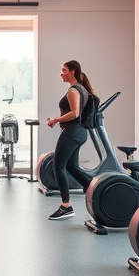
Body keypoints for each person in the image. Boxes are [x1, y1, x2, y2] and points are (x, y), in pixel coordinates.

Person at [46, 60, 99, 220]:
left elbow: (75, 113)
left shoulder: (73, 90)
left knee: (58, 166)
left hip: (72, 132)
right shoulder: (82, 89)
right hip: (79, 133)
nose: (61, 74)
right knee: (72, 167)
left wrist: (56, 119)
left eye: (64, 70)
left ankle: (66, 206)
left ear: (73, 71)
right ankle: (96, 190)